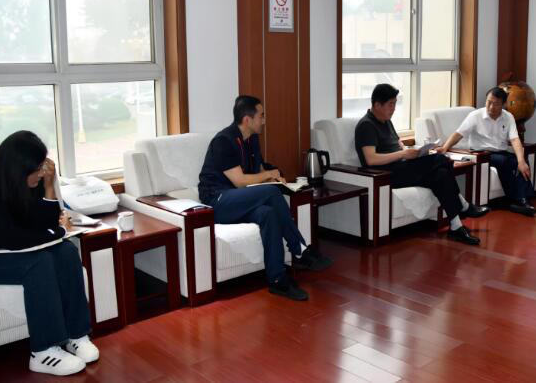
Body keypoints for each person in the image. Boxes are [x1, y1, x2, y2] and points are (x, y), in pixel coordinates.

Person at [0, 131, 99, 376]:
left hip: (8, 248)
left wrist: (49, 187)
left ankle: (76, 335)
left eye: (43, 166)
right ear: (19, 168)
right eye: (38, 169)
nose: (42, 172)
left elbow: (41, 225)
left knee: (66, 252)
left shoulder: (26, 183)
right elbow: (14, 239)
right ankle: (43, 351)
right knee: (39, 262)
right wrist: (59, 231)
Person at [198, 95, 332, 301]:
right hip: (217, 200)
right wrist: (268, 178)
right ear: (247, 120)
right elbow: (239, 181)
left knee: (268, 213)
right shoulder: (224, 141)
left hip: (239, 200)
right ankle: (299, 249)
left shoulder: (252, 139)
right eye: (261, 116)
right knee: (270, 192)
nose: (264, 120)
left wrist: (274, 176)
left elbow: (258, 169)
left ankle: (277, 280)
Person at [354, 83, 489, 246]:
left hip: (402, 166)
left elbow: (396, 144)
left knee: (441, 175)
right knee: (440, 159)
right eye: (390, 104)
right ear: (377, 105)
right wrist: (403, 154)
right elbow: (371, 159)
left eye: (395, 104)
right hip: (385, 175)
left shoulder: (386, 121)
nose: (394, 108)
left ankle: (456, 226)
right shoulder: (366, 125)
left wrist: (411, 151)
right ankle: (464, 205)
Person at [436, 86, 536, 216]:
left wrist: (521, 161)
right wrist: (445, 147)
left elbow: (515, 139)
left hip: (500, 152)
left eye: (496, 104)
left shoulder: (508, 117)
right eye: (489, 102)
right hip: (481, 153)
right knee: (506, 161)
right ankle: (519, 200)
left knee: (522, 160)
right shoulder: (475, 116)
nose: (491, 107)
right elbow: (458, 134)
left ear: (504, 105)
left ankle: (523, 199)